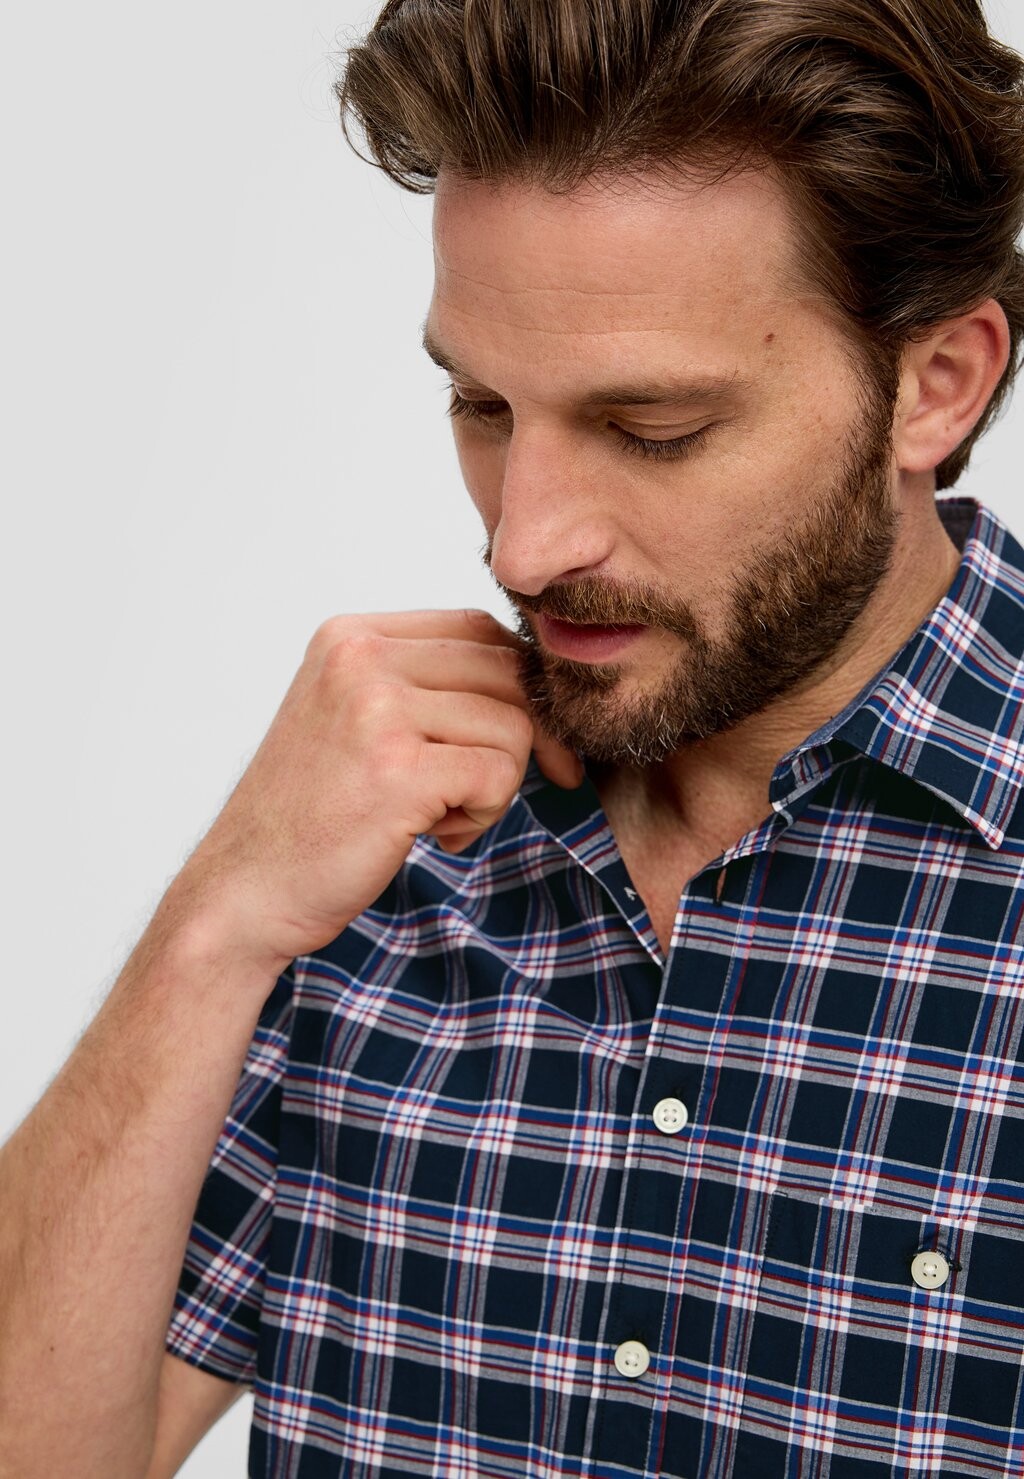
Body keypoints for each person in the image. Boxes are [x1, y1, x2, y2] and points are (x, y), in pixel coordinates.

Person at [3, 0, 1024, 1474]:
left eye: (653, 429)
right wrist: (216, 924)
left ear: (937, 384)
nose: (525, 545)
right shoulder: (366, 844)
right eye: (479, 402)